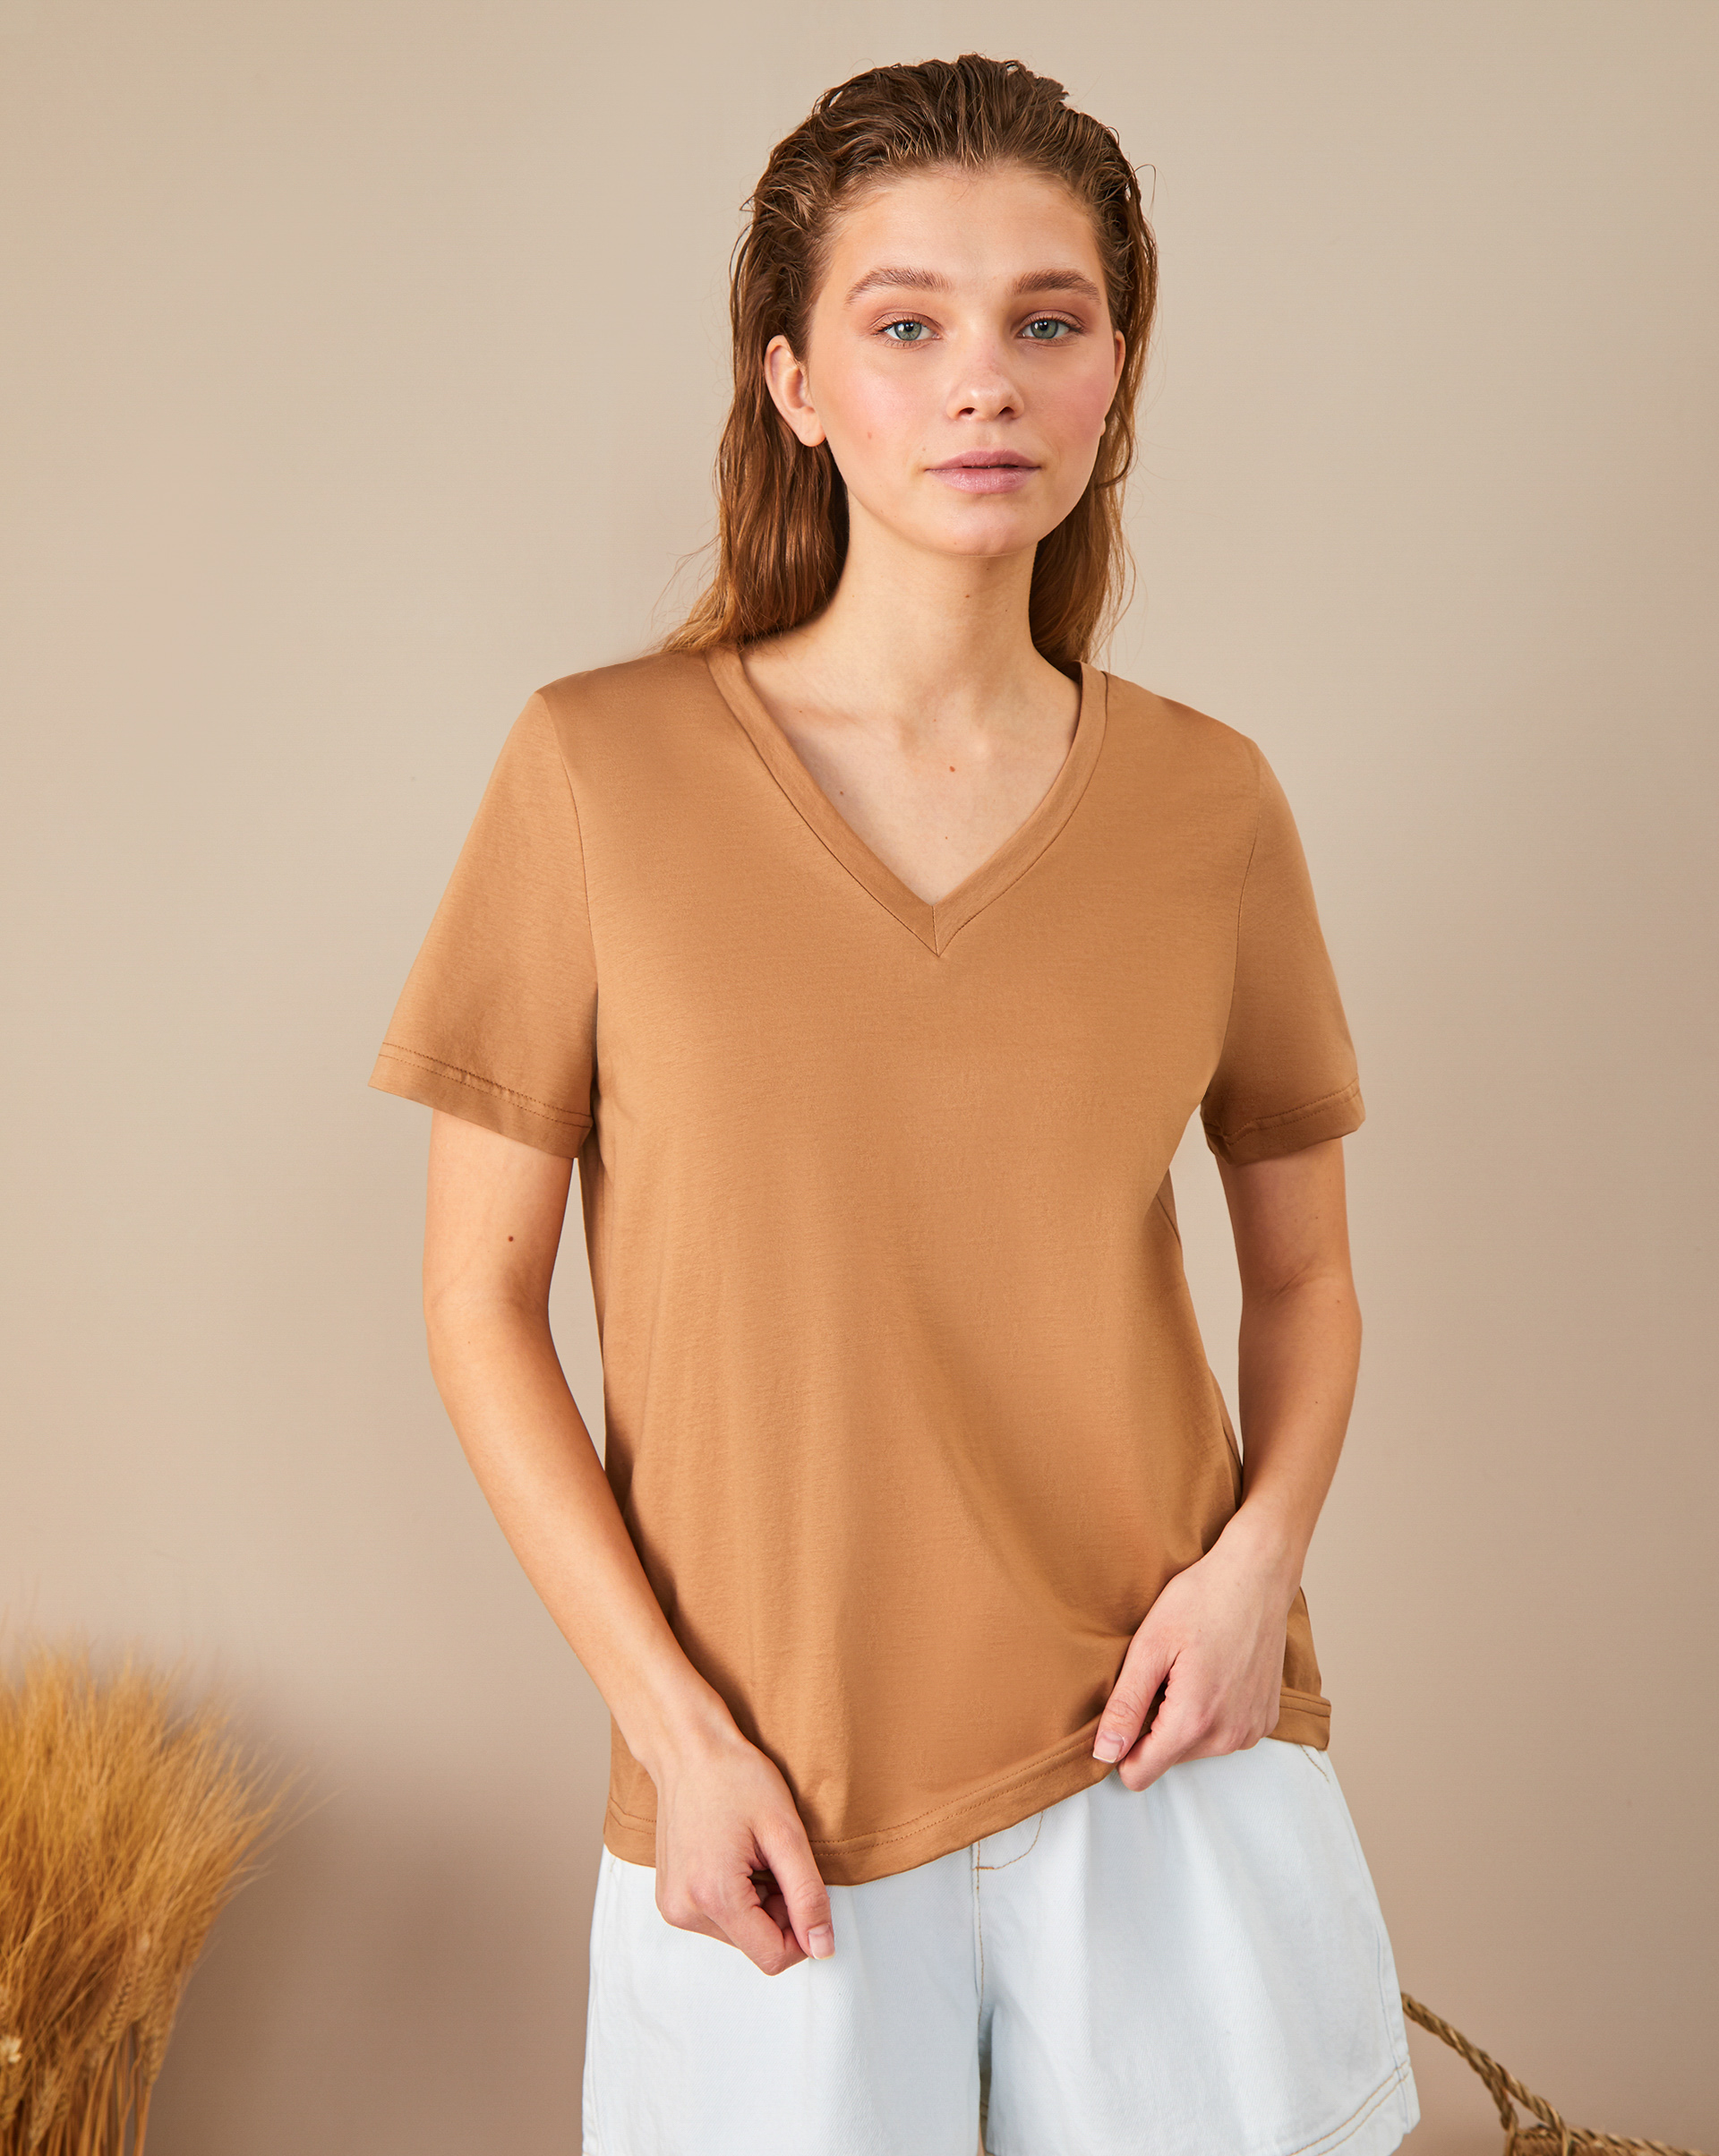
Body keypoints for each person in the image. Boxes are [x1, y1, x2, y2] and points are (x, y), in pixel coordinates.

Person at [369, 52, 1420, 2156]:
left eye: (1048, 319)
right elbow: (478, 1304)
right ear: (794, 381)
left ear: (1115, 374)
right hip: (773, 1801)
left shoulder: (1208, 804)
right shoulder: (596, 774)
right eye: (909, 323)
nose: (985, 382)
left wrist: (1254, 1577)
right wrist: (674, 1732)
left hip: (1163, 1751)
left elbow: (1307, 1279)